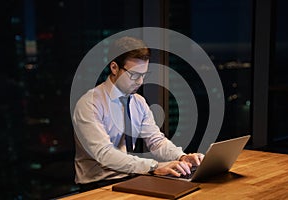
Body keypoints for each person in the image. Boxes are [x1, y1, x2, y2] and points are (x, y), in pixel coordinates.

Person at [72, 36, 204, 192]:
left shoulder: (138, 102)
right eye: (134, 75)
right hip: (98, 186)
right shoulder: (89, 104)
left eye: (143, 75)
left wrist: (181, 157)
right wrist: (154, 167)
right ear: (114, 68)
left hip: (132, 179)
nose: (140, 82)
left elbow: (156, 142)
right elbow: (105, 155)